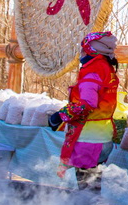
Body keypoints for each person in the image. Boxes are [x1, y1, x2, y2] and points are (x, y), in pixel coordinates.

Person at [48, 32, 120, 192]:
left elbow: (86, 103)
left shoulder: (92, 70)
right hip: (104, 137)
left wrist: (60, 115)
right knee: (93, 186)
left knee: (87, 189)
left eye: (83, 50)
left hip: (89, 140)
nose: (81, 54)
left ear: (91, 51)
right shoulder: (106, 68)